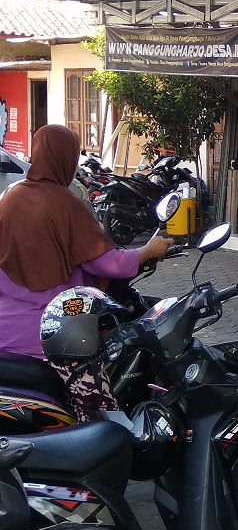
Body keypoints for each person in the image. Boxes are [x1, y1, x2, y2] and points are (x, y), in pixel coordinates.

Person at [0, 125, 172, 421]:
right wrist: (150, 251)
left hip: (5, 333)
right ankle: (110, 451)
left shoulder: (9, 198)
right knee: (102, 411)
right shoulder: (64, 203)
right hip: (54, 336)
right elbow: (107, 264)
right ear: (64, 158)